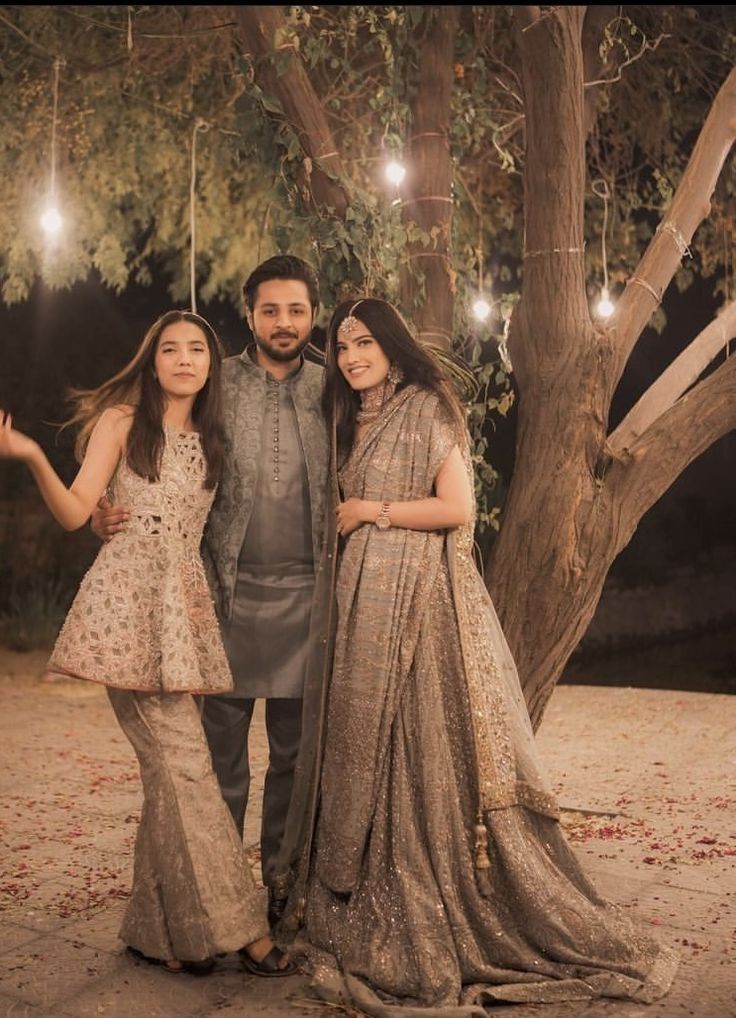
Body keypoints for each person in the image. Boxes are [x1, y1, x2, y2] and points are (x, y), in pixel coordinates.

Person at [273, 297, 679, 1015]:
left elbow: (455, 508)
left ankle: (420, 888)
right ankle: (354, 877)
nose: (353, 357)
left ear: (393, 348)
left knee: (410, 743)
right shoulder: (349, 417)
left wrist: (372, 511)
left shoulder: (427, 407)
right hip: (361, 602)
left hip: (417, 601)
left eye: (365, 343)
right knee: (363, 740)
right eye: (342, 348)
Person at [0, 310, 295, 977]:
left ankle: (159, 928)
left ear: (211, 366)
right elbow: (78, 512)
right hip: (123, 613)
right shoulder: (120, 423)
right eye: (171, 348)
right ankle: (243, 928)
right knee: (187, 770)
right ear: (152, 359)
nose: (185, 358)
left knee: (170, 777)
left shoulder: (213, 437)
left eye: (198, 349)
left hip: (181, 617)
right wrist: (31, 456)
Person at [93, 257, 329, 930]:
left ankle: (280, 890)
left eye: (296, 310)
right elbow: (151, 449)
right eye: (270, 310)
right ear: (249, 313)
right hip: (221, 603)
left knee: (293, 762)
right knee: (217, 768)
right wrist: (99, 509)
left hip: (312, 606)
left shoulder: (333, 386)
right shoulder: (217, 381)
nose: (283, 323)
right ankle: (212, 903)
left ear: (312, 315)